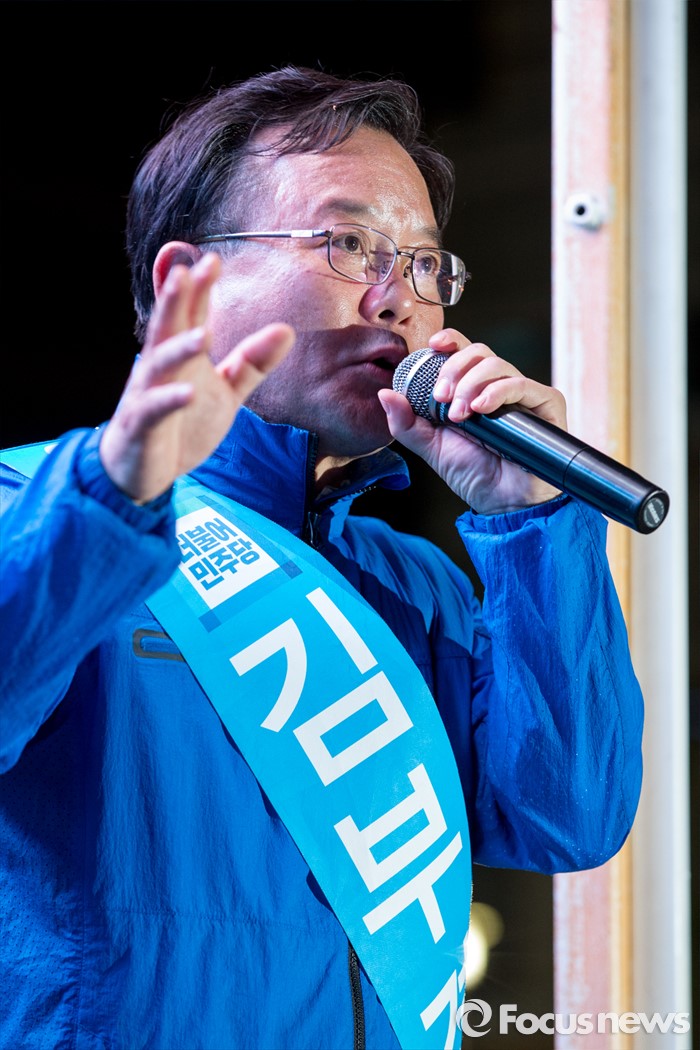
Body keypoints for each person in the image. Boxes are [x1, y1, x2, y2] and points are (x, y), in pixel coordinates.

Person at [0, 66, 643, 1050]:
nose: (401, 300)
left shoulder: (418, 585)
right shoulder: (39, 508)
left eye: (425, 264)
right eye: (350, 245)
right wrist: (112, 493)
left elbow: (566, 817)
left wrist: (535, 522)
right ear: (186, 284)